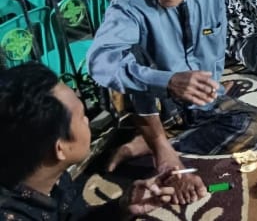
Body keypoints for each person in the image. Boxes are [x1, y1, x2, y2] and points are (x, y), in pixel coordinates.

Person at [87, 0, 257, 205]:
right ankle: (157, 139)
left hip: (194, 96)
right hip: (151, 102)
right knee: (132, 58)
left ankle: (152, 145)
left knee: (254, 124)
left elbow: (215, 42)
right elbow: (99, 63)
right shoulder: (129, 5)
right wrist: (168, 80)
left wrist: (213, 83)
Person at [0, 62, 175, 220]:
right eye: (82, 115)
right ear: (60, 148)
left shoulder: (53, 179)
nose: (87, 121)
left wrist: (122, 207)